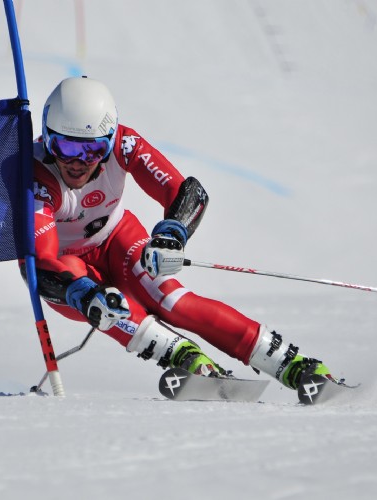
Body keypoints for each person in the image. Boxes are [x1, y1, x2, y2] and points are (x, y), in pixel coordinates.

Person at [21, 76, 331, 392]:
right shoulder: (37, 179)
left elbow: (186, 192)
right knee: (107, 306)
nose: (76, 163)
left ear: (109, 140)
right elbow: (43, 260)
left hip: (117, 238)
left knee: (175, 302)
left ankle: (290, 362)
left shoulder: (125, 145)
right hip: (64, 264)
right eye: (65, 146)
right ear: (46, 139)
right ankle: (188, 360)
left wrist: (172, 234)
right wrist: (81, 293)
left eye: (91, 151)